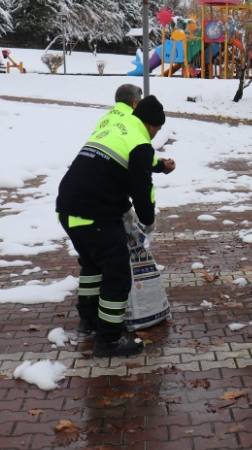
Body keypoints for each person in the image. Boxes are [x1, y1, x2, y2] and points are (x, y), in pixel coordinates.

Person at [56, 95, 166, 358]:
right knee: (116, 276)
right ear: (152, 125)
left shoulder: (117, 127)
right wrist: (147, 220)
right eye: (158, 130)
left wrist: (121, 206)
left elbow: (109, 171)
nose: (155, 135)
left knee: (93, 266)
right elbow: (142, 189)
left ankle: (89, 322)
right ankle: (108, 340)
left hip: (68, 206)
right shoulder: (140, 141)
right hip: (95, 213)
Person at [93, 84, 175, 175]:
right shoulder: (132, 119)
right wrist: (161, 165)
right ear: (135, 103)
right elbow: (140, 151)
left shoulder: (105, 118)